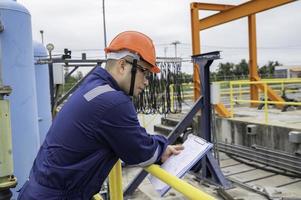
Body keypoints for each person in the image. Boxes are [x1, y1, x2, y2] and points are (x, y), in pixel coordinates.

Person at [17, 31, 184, 200]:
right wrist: (162, 147)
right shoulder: (114, 101)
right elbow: (142, 153)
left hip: (39, 190)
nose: (147, 81)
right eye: (144, 72)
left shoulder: (93, 87)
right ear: (122, 66)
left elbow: (125, 135)